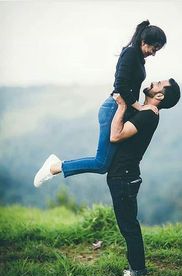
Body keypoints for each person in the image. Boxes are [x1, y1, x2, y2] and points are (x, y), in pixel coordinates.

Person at [34, 20, 167, 187]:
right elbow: (120, 86)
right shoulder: (131, 53)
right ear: (144, 42)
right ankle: (54, 167)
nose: (154, 53)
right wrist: (140, 107)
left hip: (121, 109)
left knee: (110, 161)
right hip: (113, 108)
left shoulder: (138, 57)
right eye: (154, 49)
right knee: (101, 163)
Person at [107, 78, 181, 276]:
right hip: (126, 175)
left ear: (160, 96)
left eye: (158, 83)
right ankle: (136, 270)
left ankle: (138, 274)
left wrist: (122, 105)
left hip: (124, 176)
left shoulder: (148, 115)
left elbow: (116, 135)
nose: (153, 81)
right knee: (129, 225)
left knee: (129, 226)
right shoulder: (147, 112)